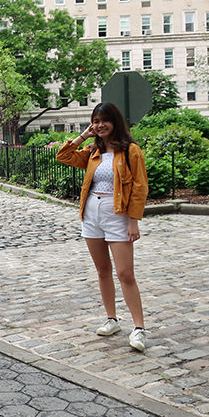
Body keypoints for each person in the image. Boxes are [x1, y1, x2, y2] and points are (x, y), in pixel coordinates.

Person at [56, 102, 149, 352]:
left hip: (117, 214)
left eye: (104, 120)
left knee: (125, 274)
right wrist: (84, 135)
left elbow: (140, 188)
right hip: (92, 213)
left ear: (115, 121)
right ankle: (112, 319)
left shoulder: (131, 151)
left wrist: (133, 220)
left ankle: (139, 329)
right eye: (95, 121)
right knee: (102, 270)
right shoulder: (92, 152)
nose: (99, 125)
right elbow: (63, 155)